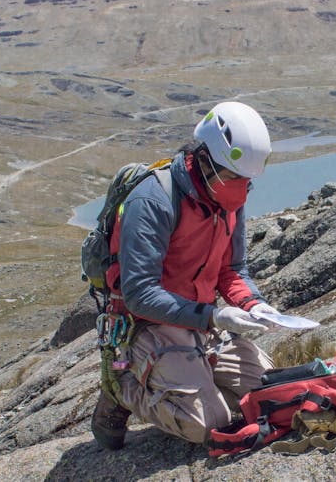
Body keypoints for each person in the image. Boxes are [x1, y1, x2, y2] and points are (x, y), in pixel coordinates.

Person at [91, 101, 283, 449]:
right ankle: (121, 390)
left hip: (201, 321)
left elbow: (232, 269)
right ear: (205, 158)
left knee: (274, 392)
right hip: (147, 324)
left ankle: (197, 375)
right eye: (233, 177)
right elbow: (140, 293)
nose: (240, 189)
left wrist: (253, 303)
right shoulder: (152, 200)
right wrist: (214, 315)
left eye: (246, 181)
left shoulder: (227, 195)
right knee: (208, 424)